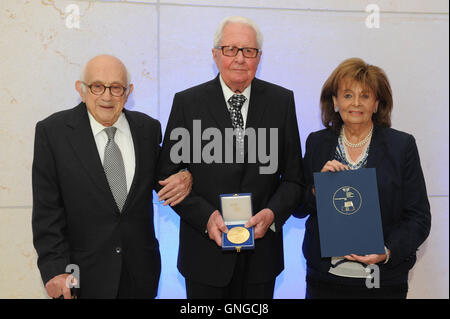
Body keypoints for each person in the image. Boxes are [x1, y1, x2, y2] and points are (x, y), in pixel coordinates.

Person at [157, 16, 305, 299]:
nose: (239, 58)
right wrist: (206, 217)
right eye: (230, 49)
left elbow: (295, 179)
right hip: (204, 255)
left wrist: (272, 214)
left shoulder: (281, 102)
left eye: (248, 51)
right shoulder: (187, 103)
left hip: (262, 259)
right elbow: (167, 178)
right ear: (215, 54)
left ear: (258, 57)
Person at [32, 55, 192, 299]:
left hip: (140, 276)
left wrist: (185, 174)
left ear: (128, 92)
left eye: (116, 88)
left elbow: (165, 177)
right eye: (97, 86)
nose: (107, 96)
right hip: (80, 279)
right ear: (81, 89)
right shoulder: (53, 133)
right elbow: (47, 212)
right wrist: (55, 270)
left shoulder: (147, 129)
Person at [294, 58, 431, 299]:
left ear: (377, 104)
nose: (356, 103)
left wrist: (386, 251)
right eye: (347, 95)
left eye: (365, 96)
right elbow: (298, 208)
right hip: (325, 279)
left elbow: (418, 218)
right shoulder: (317, 143)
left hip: (382, 280)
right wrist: (317, 190)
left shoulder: (402, 146)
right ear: (335, 101)